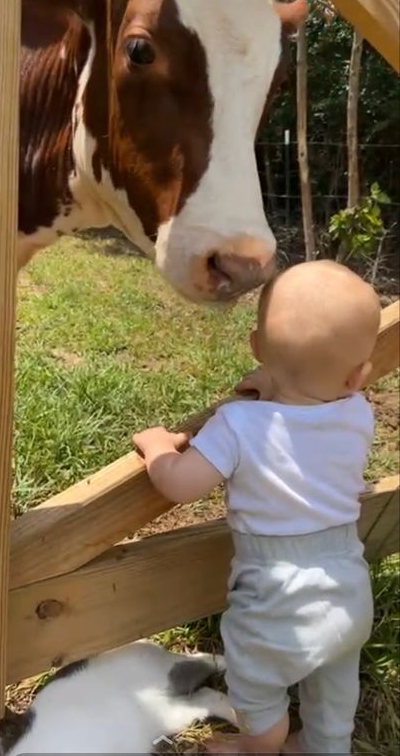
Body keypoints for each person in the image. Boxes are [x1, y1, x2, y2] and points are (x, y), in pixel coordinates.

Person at [133, 260, 381, 754]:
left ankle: (258, 745)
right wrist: (280, 385)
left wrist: (159, 446)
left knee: (259, 688)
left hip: (275, 602)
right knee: (334, 696)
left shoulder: (238, 425)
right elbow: (311, 409)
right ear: (359, 376)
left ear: (255, 348)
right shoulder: (358, 414)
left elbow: (181, 485)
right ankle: (325, 746)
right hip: (348, 591)